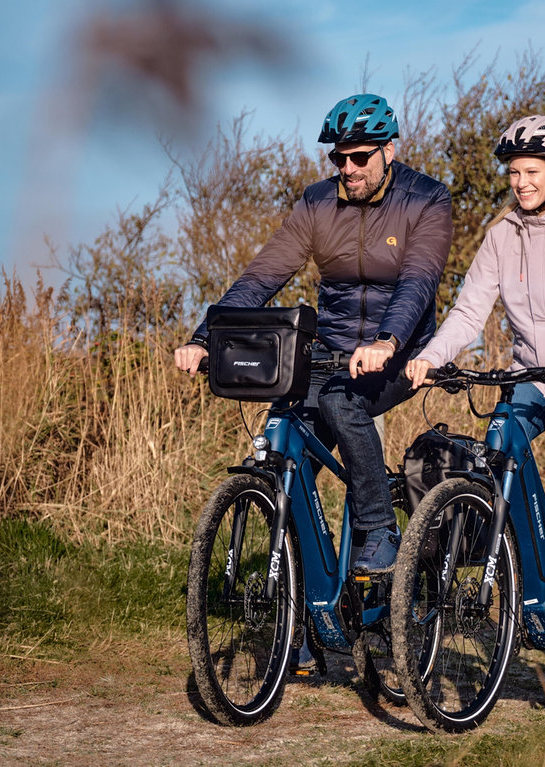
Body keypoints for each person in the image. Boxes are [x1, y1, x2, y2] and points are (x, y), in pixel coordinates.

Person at [175, 93, 452, 580]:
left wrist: (387, 341)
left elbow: (417, 283)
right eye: (338, 158)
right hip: (331, 352)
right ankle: (308, 609)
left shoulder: (427, 199)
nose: (348, 168)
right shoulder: (318, 202)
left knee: (342, 403)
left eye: (360, 157)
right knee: (287, 449)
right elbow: (262, 276)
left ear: (390, 150)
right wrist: (205, 336)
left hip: (400, 353)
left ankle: (378, 528)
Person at [406, 115, 545, 682]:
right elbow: (469, 311)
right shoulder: (502, 233)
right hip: (529, 377)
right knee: (494, 460)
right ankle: (533, 585)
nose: (521, 182)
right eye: (513, 172)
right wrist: (432, 356)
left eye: (531, 171)